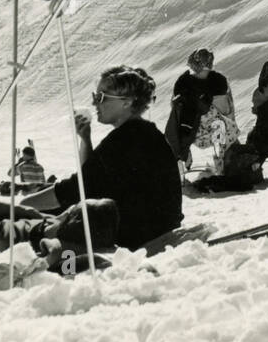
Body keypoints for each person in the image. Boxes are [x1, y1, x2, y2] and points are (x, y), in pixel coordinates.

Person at [22, 65, 183, 250]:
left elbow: (76, 188)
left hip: (141, 235)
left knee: (46, 224)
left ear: (127, 102)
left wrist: (21, 206)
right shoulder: (140, 132)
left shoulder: (126, 138)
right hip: (155, 227)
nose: (95, 103)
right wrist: (85, 139)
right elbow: (91, 180)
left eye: (101, 97)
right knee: (61, 216)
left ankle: (68, 268)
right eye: (94, 96)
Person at [164, 48, 238, 175]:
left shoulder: (183, 82)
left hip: (190, 132)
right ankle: (225, 167)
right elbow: (229, 109)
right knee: (225, 132)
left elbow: (175, 110)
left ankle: (183, 156)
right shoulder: (220, 81)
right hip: (220, 131)